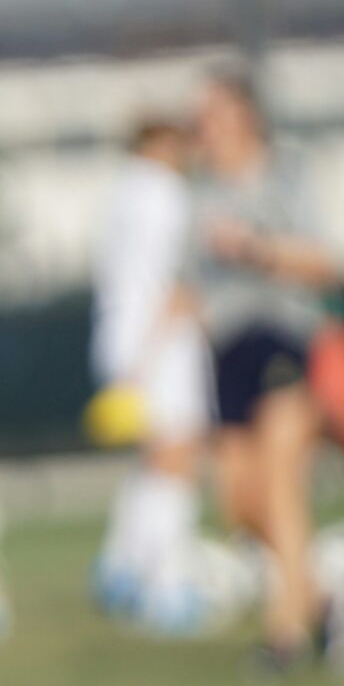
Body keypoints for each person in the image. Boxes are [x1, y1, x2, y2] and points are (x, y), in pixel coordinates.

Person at [184, 68, 344, 679]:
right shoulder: (197, 190)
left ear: (244, 115)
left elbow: (323, 260)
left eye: (213, 110)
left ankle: (282, 637)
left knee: (283, 486)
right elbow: (190, 281)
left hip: (283, 336)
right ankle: (323, 600)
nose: (202, 122)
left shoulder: (286, 174)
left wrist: (255, 247)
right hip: (226, 347)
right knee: (240, 502)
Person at [89, 119, 213, 632]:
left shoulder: (121, 193)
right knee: (177, 463)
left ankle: (122, 565)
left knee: (155, 462)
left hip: (122, 336)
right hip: (159, 340)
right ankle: (165, 586)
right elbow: (179, 275)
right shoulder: (166, 192)